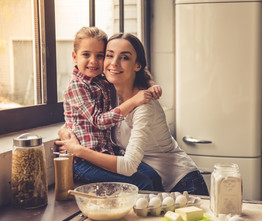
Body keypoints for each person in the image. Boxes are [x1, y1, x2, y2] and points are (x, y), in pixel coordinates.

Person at [56, 33, 209, 195]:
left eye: (125, 58)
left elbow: (128, 166)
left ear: (137, 65)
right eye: (109, 55)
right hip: (152, 181)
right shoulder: (107, 91)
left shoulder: (144, 105)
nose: (114, 63)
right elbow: (83, 117)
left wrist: (78, 150)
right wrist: (64, 130)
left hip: (182, 184)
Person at [62, 27, 162, 190]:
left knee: (153, 176)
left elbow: (136, 73)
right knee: (143, 183)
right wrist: (134, 101)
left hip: (105, 154)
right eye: (86, 54)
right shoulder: (77, 86)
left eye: (100, 56)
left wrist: (151, 84)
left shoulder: (100, 80)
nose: (93, 61)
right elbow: (98, 121)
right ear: (75, 56)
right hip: (84, 163)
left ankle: (154, 213)